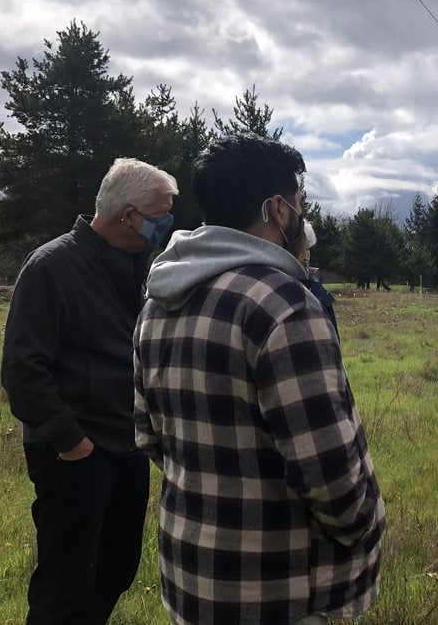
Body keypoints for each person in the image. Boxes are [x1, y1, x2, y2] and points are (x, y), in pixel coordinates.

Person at [133, 134, 384, 625]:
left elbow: (149, 437)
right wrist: (367, 529)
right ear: (277, 209)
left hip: (193, 577)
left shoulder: (156, 303)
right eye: (299, 202)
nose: (300, 213)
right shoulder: (284, 304)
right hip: (284, 590)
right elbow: (331, 474)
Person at [0, 157, 178, 624]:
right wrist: (70, 441)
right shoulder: (51, 266)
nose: (170, 223)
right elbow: (23, 370)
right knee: (65, 585)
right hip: (74, 455)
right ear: (128, 215)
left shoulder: (141, 269)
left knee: (117, 570)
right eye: (163, 213)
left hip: (128, 447)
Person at [300, 219, 338, 332]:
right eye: (303, 249)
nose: (306, 256)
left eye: (307, 249)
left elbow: (332, 329)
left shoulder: (314, 283)